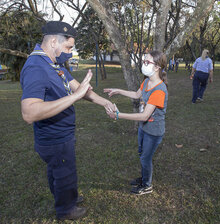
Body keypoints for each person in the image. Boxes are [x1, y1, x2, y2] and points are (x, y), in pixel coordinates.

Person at [20, 21, 115, 221]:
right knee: (64, 174)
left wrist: (102, 101)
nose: (70, 53)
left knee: (59, 171)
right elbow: (28, 113)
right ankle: (66, 209)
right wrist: (75, 97)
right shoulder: (36, 67)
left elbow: (76, 86)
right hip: (54, 138)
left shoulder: (52, 63)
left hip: (61, 135)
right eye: (68, 47)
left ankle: (65, 197)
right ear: (54, 41)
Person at [104, 51, 168, 195]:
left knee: (146, 158)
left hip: (154, 131)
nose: (143, 64)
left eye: (147, 62)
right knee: (142, 154)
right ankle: (145, 178)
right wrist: (118, 91)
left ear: (157, 67)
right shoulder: (146, 81)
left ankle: (147, 185)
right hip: (143, 128)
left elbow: (145, 116)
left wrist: (118, 115)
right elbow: (136, 94)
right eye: (144, 61)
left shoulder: (159, 90)